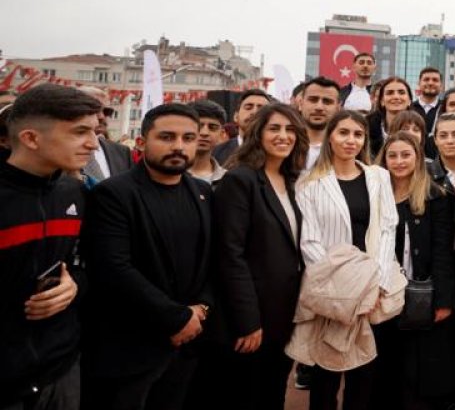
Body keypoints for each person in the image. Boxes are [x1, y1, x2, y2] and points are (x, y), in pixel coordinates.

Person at [82, 103, 214, 410]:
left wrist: (201, 310)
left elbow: (211, 261)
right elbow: (113, 268)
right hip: (130, 347)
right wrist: (176, 317)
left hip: (187, 345)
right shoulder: (114, 193)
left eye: (188, 138)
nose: (179, 146)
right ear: (142, 141)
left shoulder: (203, 193)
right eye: (167, 137)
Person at [289, 110, 402, 410]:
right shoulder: (310, 184)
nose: (351, 140)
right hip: (333, 295)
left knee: (364, 376)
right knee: (326, 374)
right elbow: (309, 242)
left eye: (358, 134)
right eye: (344, 133)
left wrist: (373, 284)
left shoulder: (378, 177)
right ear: (331, 137)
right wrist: (343, 290)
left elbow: (388, 228)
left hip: (372, 292)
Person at [1, 85, 99, 410]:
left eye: (95, 131)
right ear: (31, 138)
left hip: (61, 369)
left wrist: (74, 286)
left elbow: (89, 266)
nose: (94, 143)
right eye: (80, 132)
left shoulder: (76, 193)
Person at [204, 103, 308, 410]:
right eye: (274, 128)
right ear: (257, 134)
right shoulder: (241, 180)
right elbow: (229, 254)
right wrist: (248, 321)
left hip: (282, 315)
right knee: (244, 395)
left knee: (272, 393)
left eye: (290, 130)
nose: (283, 136)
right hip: (250, 319)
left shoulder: (290, 182)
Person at [376, 133, 455, 409]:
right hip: (383, 293)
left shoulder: (436, 195)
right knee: (386, 360)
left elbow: (442, 251)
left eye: (406, 155)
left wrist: (444, 300)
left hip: (422, 291)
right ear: (384, 159)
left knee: (420, 363)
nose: (399, 161)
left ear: (418, 158)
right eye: (393, 155)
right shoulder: (375, 194)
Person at [79, 87, 132, 182]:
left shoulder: (121, 152)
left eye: (106, 111)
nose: (101, 116)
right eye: (94, 110)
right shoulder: (61, 150)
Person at [214, 89, 271, 164]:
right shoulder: (216, 153)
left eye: (261, 109)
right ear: (236, 116)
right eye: (248, 107)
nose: (254, 112)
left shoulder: (279, 153)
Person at [298, 77, 342, 170]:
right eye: (313, 100)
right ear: (301, 104)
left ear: (338, 108)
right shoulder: (284, 145)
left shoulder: (347, 149)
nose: (319, 107)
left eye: (327, 102)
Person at [366, 76, 413, 158]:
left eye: (401, 92)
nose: (396, 97)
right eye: (390, 93)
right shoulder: (366, 126)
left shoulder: (418, 127)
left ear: (409, 101)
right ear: (382, 101)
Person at [189, 100, 228, 184]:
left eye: (212, 127)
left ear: (222, 134)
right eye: (198, 126)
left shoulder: (229, 179)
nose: (204, 133)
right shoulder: (167, 174)